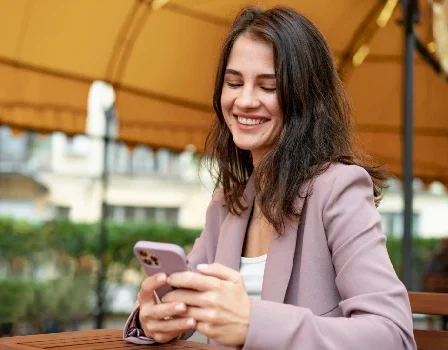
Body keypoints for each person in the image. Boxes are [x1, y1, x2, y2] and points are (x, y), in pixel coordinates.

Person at [124, 6, 417, 349]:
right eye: (234, 83)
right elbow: (188, 302)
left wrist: (254, 324)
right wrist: (156, 318)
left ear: (304, 98)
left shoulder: (339, 188)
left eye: (268, 87)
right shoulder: (229, 201)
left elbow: (393, 336)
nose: (244, 101)